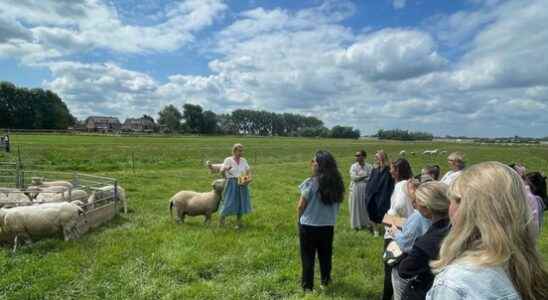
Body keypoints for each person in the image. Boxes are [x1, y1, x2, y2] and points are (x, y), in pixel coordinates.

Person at [427, 162, 548, 300]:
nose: (450, 208)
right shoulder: (526, 268)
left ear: (467, 209)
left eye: (454, 200)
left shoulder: (457, 282)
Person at [297, 150, 344, 292]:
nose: (311, 164)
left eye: (314, 162)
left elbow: (300, 206)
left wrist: (299, 219)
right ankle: (325, 280)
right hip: (328, 225)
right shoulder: (337, 183)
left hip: (309, 226)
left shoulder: (311, 183)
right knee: (325, 255)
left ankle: (307, 286)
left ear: (319, 165)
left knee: (308, 257)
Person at [395, 182, 450, 300]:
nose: (414, 204)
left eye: (417, 202)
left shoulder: (426, 243)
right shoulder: (458, 228)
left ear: (427, 208)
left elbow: (404, 270)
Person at [382, 158, 414, 300]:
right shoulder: (411, 183)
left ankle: (387, 296)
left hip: (395, 232)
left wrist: (389, 218)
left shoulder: (400, 185)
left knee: (390, 267)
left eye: (392, 168)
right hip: (410, 230)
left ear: (398, 170)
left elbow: (399, 207)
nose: (390, 171)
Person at [216, 143, 252, 228]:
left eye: (242, 151)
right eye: (239, 151)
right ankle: (221, 222)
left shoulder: (244, 160)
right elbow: (222, 171)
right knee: (228, 202)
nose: (241, 153)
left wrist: (249, 178)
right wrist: (224, 170)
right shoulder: (228, 160)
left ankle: (238, 223)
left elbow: (248, 170)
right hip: (231, 182)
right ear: (234, 151)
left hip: (242, 181)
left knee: (241, 202)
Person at [365, 150, 395, 237]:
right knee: (372, 211)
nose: (375, 159)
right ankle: (376, 230)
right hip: (373, 194)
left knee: (386, 212)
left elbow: (391, 181)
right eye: (375, 157)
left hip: (384, 194)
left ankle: (390, 230)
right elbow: (371, 181)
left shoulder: (388, 169)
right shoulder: (375, 169)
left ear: (382, 157)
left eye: (377, 157)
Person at [348, 150, 373, 230]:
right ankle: (356, 225)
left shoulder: (369, 166)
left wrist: (360, 177)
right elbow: (354, 178)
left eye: (359, 155)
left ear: (364, 157)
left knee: (365, 207)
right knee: (355, 206)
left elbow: (371, 178)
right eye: (356, 155)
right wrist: (365, 176)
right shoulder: (353, 166)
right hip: (355, 189)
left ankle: (366, 223)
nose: (357, 157)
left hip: (366, 189)